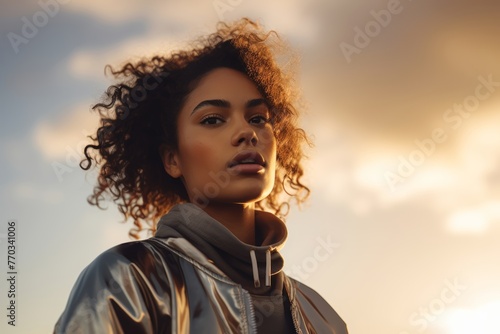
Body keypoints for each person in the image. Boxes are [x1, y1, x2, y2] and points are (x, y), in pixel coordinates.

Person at [54, 18, 348, 333]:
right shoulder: (127, 280)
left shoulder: (322, 316)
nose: (246, 132)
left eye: (258, 118)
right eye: (212, 119)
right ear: (172, 159)